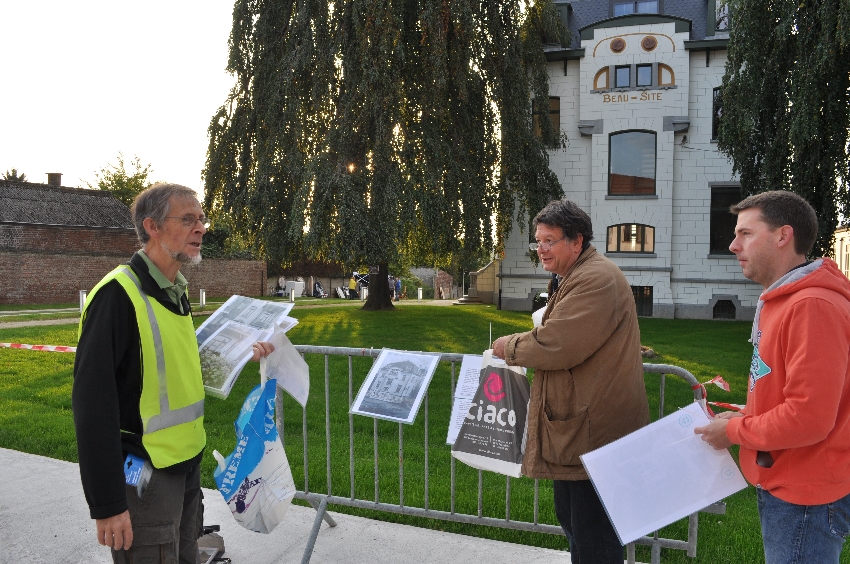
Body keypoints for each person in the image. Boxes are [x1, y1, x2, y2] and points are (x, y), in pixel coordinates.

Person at [72, 183, 273, 563]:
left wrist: (237, 353)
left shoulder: (175, 290)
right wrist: (107, 504)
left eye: (202, 219)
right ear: (153, 226)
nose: (201, 228)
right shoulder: (117, 295)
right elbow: (91, 405)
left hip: (186, 465)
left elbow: (173, 363)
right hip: (145, 474)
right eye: (188, 219)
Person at [694, 191, 850, 563]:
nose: (733, 245)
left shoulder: (812, 306)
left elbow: (808, 417)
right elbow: (783, 391)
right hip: (786, 482)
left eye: (746, 234)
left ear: (783, 236)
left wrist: (734, 431)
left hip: (805, 495)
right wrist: (745, 416)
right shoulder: (782, 299)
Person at [491, 198, 649, 563]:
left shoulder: (595, 278)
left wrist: (508, 346)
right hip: (580, 429)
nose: (541, 249)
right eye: (538, 241)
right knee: (577, 526)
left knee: (594, 537)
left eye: (550, 241)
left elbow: (558, 343)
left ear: (577, 241)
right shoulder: (575, 275)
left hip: (596, 432)